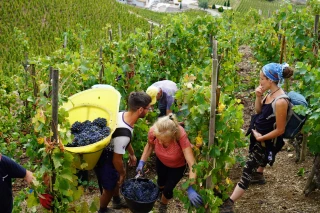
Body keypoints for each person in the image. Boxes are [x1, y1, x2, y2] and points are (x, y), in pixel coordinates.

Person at [219, 62, 294, 213]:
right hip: (258, 138)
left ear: (271, 80)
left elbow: (280, 130)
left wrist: (261, 139)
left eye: (262, 79)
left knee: (246, 171)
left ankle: (229, 204)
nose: (260, 82)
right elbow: (259, 110)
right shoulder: (269, 93)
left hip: (265, 142)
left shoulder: (280, 101)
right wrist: (258, 96)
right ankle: (259, 175)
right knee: (254, 164)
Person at [95, 91, 152, 213]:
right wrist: (122, 173)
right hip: (107, 157)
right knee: (109, 187)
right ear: (140, 109)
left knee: (114, 179)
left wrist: (131, 153)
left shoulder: (122, 115)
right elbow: (116, 159)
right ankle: (102, 210)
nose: (149, 111)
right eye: (148, 108)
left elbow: (124, 138)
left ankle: (116, 201)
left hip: (109, 152)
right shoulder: (124, 133)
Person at [136, 113, 203, 213]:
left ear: (173, 137)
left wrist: (191, 186)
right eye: (159, 140)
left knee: (168, 189)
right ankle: (161, 191)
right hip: (161, 161)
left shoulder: (181, 136)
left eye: (164, 141)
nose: (161, 143)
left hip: (178, 166)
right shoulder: (154, 131)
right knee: (161, 182)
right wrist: (141, 162)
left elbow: (192, 163)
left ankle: (163, 205)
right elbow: (149, 146)